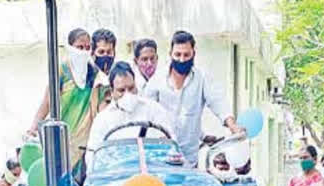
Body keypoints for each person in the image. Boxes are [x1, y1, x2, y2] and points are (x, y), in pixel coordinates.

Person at [144, 31, 243, 168]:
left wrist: (232, 125)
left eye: (186, 55)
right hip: (160, 158)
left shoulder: (202, 78)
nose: (182, 59)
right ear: (170, 54)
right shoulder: (157, 80)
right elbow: (146, 112)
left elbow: (218, 101)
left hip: (189, 159)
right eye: (177, 54)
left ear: (193, 54)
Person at [27, 28, 111, 177]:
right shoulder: (61, 71)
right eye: (80, 47)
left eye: (87, 48)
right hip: (64, 141)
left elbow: (103, 107)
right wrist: (33, 127)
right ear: (70, 48)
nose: (84, 51)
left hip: (87, 141)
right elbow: (47, 102)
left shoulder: (96, 75)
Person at [85, 62, 174, 169]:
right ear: (112, 92)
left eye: (131, 88)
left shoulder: (154, 110)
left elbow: (172, 145)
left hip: (152, 174)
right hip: (117, 176)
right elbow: (92, 158)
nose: (127, 94)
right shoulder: (103, 120)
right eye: (121, 90)